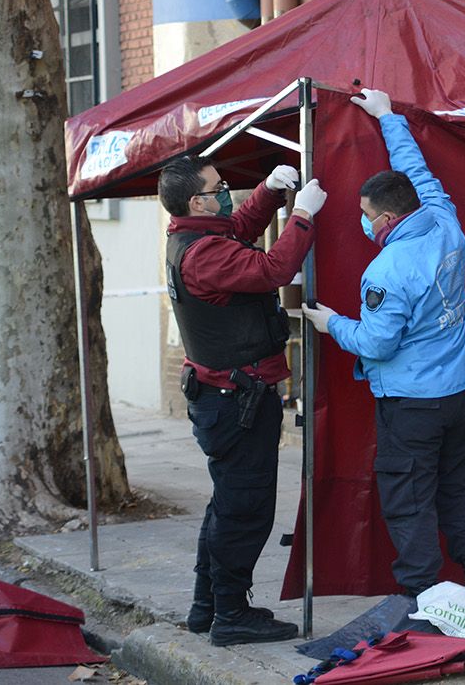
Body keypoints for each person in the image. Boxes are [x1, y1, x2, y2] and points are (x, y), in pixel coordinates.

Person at [301, 88, 465, 599]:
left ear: (385, 220)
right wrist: (388, 118)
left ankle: (422, 600)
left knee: (409, 499)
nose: (363, 222)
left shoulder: (385, 269)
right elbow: (417, 169)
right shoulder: (444, 218)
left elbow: (378, 343)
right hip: (464, 389)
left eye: (365, 214)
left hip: (415, 404)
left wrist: (332, 324)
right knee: (459, 489)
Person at [160, 156, 327, 646]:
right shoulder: (203, 254)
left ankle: (206, 606)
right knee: (245, 510)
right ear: (197, 200)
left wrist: (270, 194)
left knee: (227, 505)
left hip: (226, 398)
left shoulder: (193, 235)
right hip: (236, 402)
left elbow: (236, 227)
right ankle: (231, 614)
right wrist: (302, 217)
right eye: (219, 186)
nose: (227, 192)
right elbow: (273, 268)